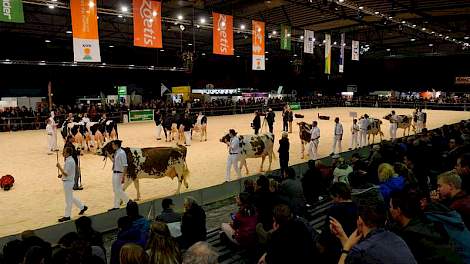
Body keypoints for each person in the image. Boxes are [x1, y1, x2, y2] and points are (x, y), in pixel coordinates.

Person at [330, 202, 417, 264]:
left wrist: (347, 246)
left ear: (360, 221)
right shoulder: (396, 238)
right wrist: (342, 236)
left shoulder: (362, 251)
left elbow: (354, 255)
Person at [389, 191, 462, 264]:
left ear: (398, 210)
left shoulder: (409, 238)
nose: (390, 210)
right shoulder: (429, 222)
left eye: (391, 207)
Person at [318, 183, 358, 264]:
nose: (332, 200)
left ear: (337, 196)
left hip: (338, 251)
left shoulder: (335, 210)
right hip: (355, 248)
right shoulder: (358, 207)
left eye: (332, 198)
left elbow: (326, 235)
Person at [56, 147, 88, 222]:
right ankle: (82, 207)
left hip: (68, 182)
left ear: (68, 153)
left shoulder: (69, 161)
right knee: (71, 197)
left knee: (68, 200)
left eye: (64, 152)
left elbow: (66, 173)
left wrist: (59, 167)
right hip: (68, 181)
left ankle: (67, 215)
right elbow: (67, 172)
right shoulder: (69, 160)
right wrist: (61, 175)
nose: (62, 153)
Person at [109, 140, 130, 211]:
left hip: (119, 173)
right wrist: (109, 156)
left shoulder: (122, 153)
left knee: (117, 190)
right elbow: (115, 162)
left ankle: (128, 201)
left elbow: (125, 165)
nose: (112, 146)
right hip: (115, 172)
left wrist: (123, 176)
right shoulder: (117, 152)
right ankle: (116, 205)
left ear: (116, 145)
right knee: (116, 190)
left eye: (113, 145)